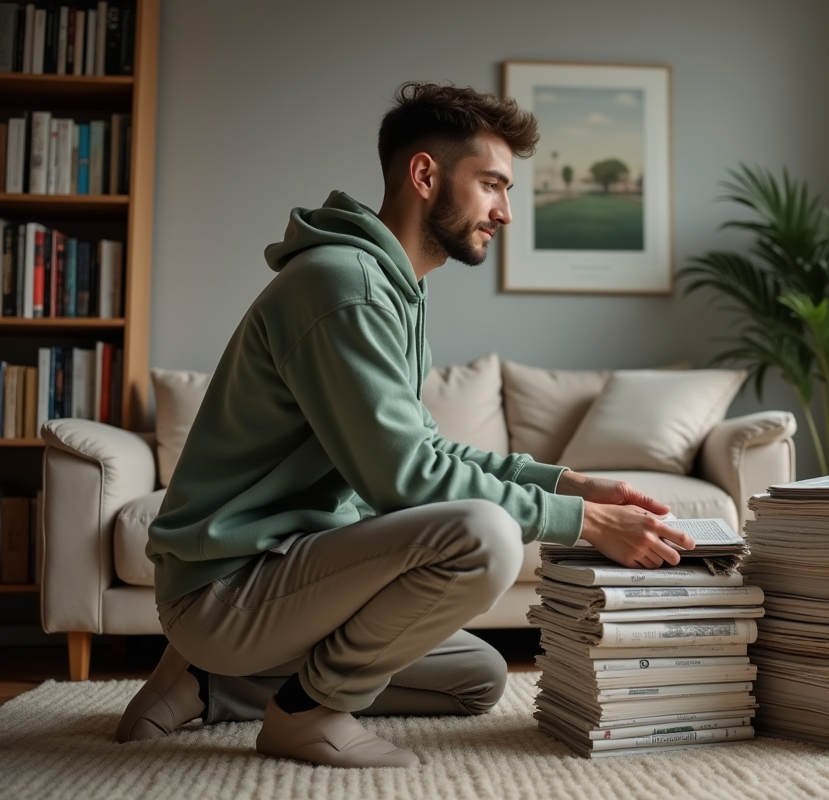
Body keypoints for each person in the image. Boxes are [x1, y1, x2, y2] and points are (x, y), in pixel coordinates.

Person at [115, 82, 695, 769]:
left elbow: (425, 448)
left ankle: (206, 683)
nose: (505, 212)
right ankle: (306, 715)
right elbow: (405, 478)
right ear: (425, 174)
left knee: (477, 678)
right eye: (491, 184)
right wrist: (587, 523)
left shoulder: (393, 287)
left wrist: (567, 482)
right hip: (228, 586)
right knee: (485, 537)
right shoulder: (345, 285)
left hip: (287, 568)